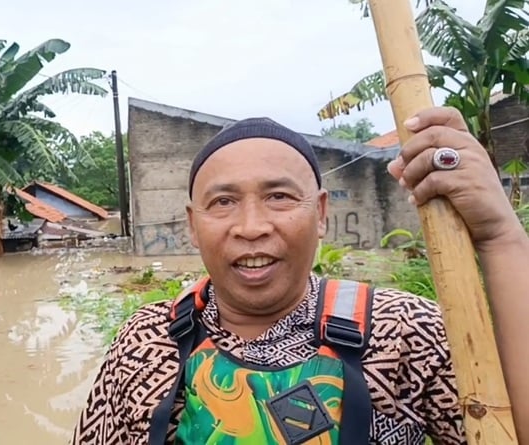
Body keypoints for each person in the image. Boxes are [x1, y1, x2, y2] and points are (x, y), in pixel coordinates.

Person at [71, 106, 529, 444]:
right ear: (193, 225)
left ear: (322, 213)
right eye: (223, 202)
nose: (251, 227)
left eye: (280, 197)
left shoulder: (406, 331)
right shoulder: (145, 341)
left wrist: (499, 237)